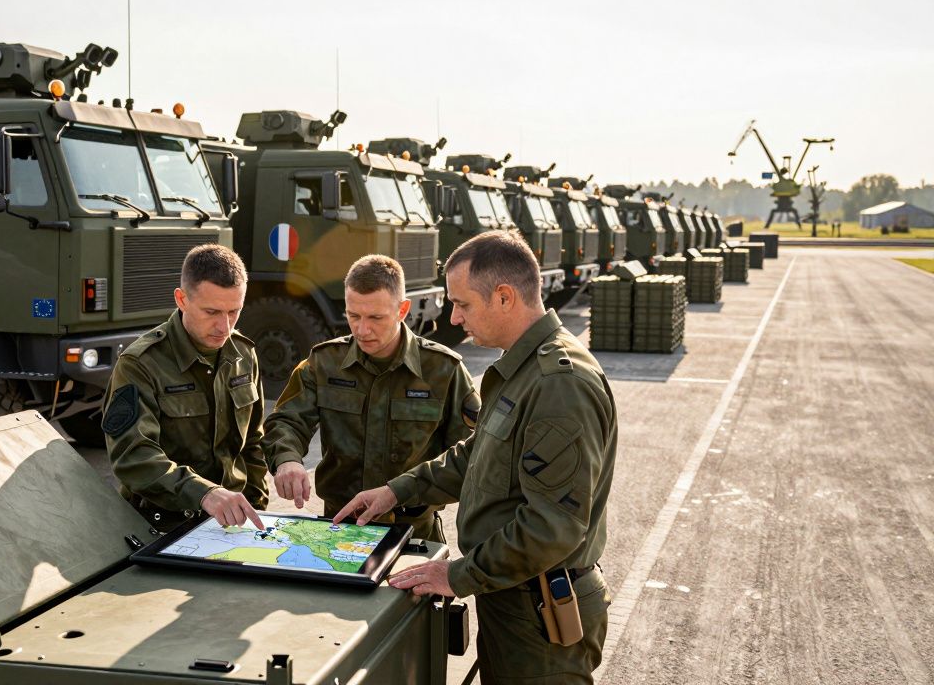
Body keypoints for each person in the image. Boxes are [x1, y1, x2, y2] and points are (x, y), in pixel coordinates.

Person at [334, 231, 617, 684]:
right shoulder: (524, 368)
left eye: (462, 304)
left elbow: (553, 527)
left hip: (540, 613)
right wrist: (395, 491)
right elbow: (477, 455)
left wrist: (458, 575)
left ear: (504, 297)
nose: (454, 317)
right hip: (515, 596)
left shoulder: (558, 384)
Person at [263, 254, 480, 542]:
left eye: (376, 318)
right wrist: (287, 459)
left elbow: (473, 454)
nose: (362, 330)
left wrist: (406, 491)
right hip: (338, 529)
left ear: (402, 310)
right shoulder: (324, 363)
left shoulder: (443, 370)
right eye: (353, 316)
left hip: (415, 533)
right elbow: (286, 421)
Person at [103, 244, 267, 532]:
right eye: (211, 312)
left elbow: (253, 443)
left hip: (230, 525)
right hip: (161, 525)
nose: (224, 326)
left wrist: (257, 507)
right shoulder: (140, 364)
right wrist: (203, 493)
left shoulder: (243, 353)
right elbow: (134, 456)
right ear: (181, 299)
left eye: (234, 311)